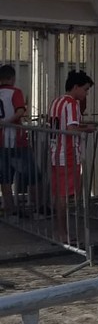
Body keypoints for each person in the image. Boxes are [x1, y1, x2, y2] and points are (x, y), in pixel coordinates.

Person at [48, 71, 95, 243]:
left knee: (60, 194)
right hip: (68, 154)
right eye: (85, 89)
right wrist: (87, 129)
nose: (86, 93)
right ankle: (63, 233)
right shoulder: (71, 103)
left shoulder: (56, 101)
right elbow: (71, 128)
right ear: (76, 87)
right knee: (65, 195)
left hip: (55, 152)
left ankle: (60, 231)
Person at [0, 64, 38, 216]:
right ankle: (37, 208)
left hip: (1, 141)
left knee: (5, 178)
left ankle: (10, 210)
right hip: (16, 140)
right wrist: (7, 122)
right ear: (12, 78)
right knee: (33, 175)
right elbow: (20, 111)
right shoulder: (15, 92)